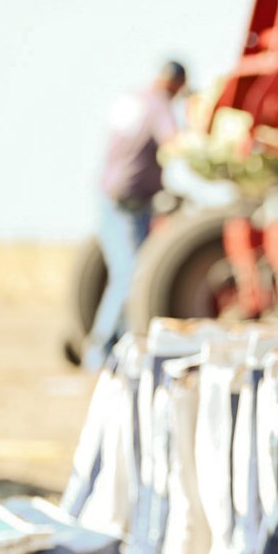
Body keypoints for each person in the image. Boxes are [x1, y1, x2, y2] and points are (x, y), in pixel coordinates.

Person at [83, 60, 187, 370]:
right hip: (127, 203)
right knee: (130, 275)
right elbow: (174, 142)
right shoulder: (158, 104)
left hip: (114, 194)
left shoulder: (133, 99)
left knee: (129, 273)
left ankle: (119, 350)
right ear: (176, 84)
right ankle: (101, 352)